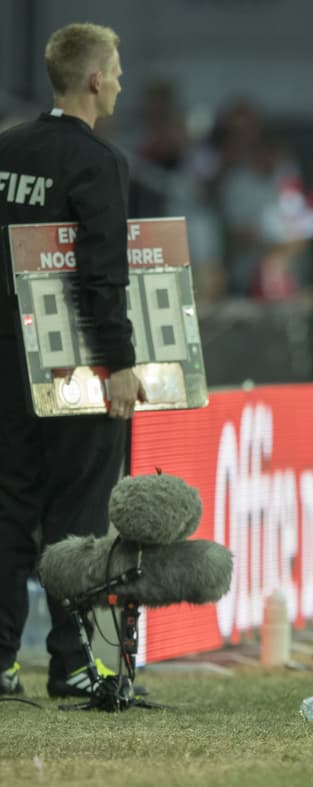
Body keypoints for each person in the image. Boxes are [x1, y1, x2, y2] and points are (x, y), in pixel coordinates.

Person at [0, 23, 146, 698]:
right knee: (78, 516)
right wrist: (118, 362)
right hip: (73, 366)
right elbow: (101, 276)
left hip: (4, 360)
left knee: (7, 506)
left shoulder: (6, 149)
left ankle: (2, 661)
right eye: (114, 70)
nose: (118, 81)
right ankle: (70, 661)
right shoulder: (101, 163)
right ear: (94, 79)